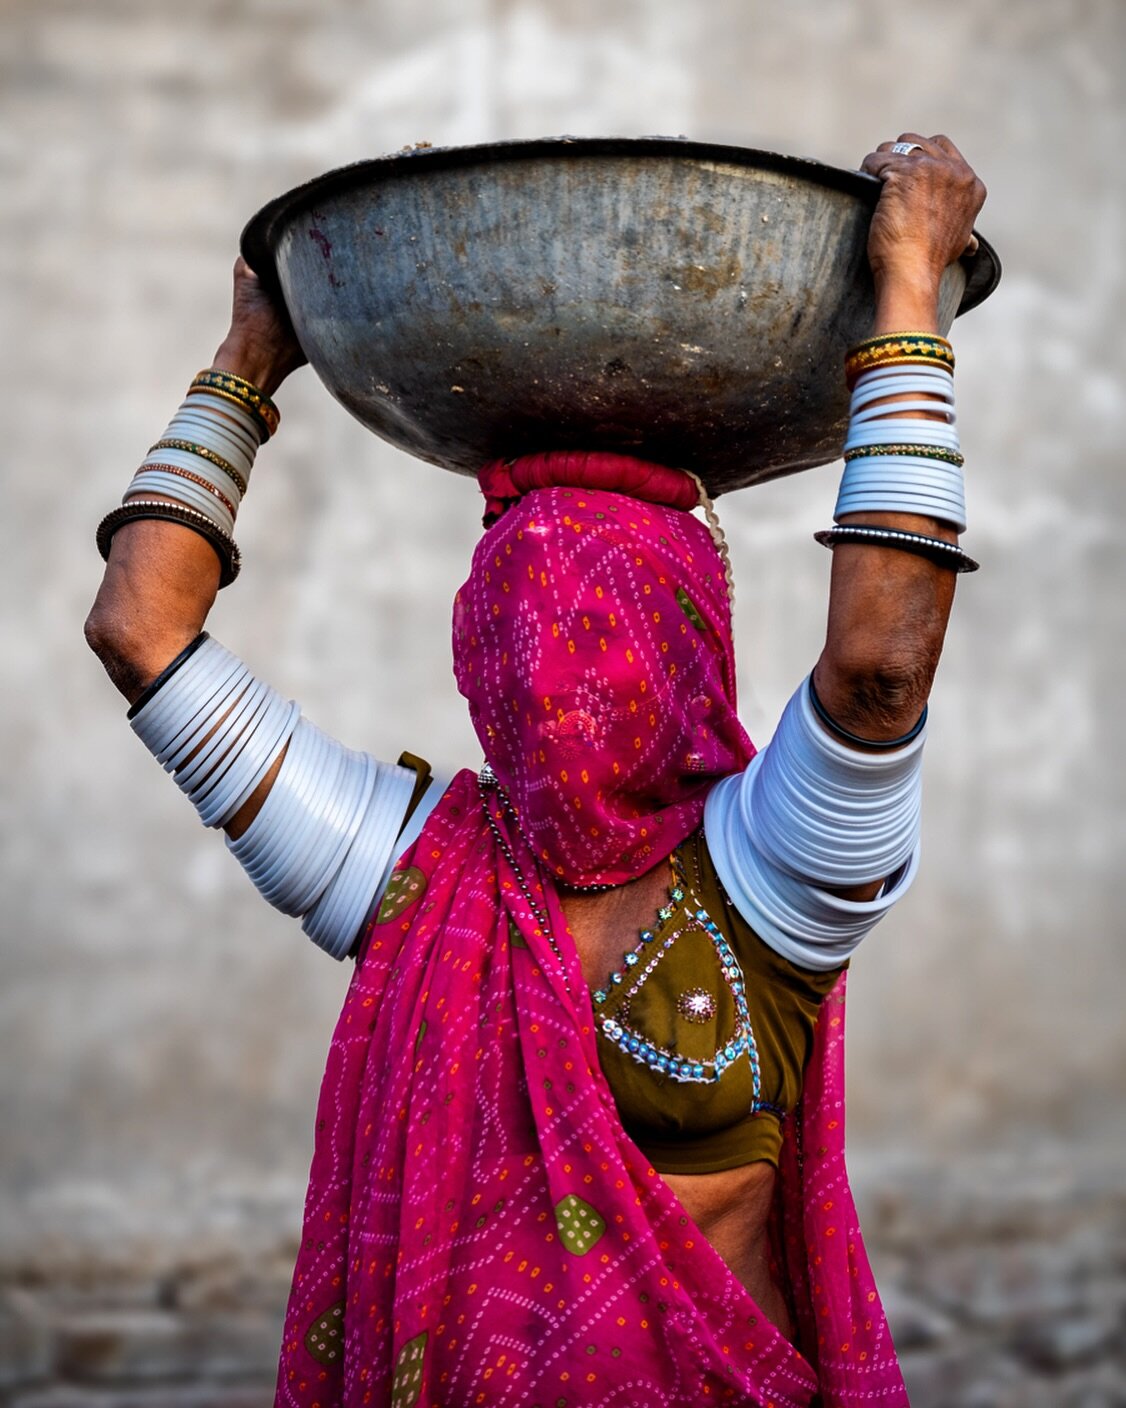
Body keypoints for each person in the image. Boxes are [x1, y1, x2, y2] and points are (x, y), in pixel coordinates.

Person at [85, 133, 987, 1407]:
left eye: (591, 639)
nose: (558, 682)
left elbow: (882, 670)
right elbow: (139, 633)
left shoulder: (765, 871)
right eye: (525, 642)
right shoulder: (428, 875)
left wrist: (907, 292)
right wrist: (244, 359)